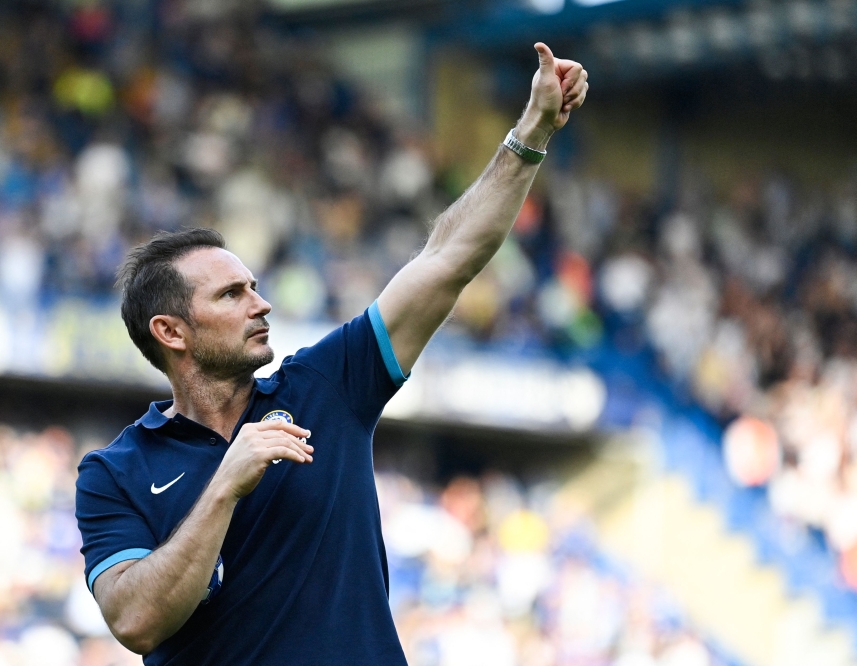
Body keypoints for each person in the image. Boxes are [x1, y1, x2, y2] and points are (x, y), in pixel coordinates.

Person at [73, 43, 588, 665]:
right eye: (232, 294)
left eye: (254, 286)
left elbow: (446, 259)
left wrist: (530, 133)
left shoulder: (327, 386)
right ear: (171, 332)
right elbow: (135, 621)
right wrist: (225, 486)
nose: (261, 304)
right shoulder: (114, 473)